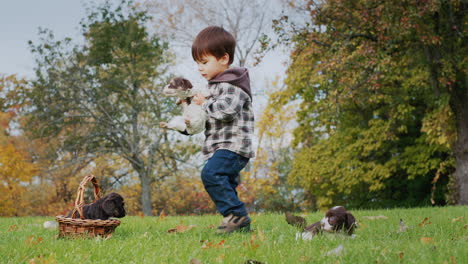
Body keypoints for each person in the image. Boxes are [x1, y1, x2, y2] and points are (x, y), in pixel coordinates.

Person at [191, 26, 255, 233]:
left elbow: (226, 110)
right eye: (197, 63)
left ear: (224, 59)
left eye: (204, 62)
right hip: (221, 147)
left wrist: (203, 104)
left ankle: (237, 216)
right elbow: (206, 116)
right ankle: (240, 227)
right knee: (225, 183)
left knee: (211, 174)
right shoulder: (215, 85)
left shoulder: (233, 84)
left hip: (234, 146)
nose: (200, 68)